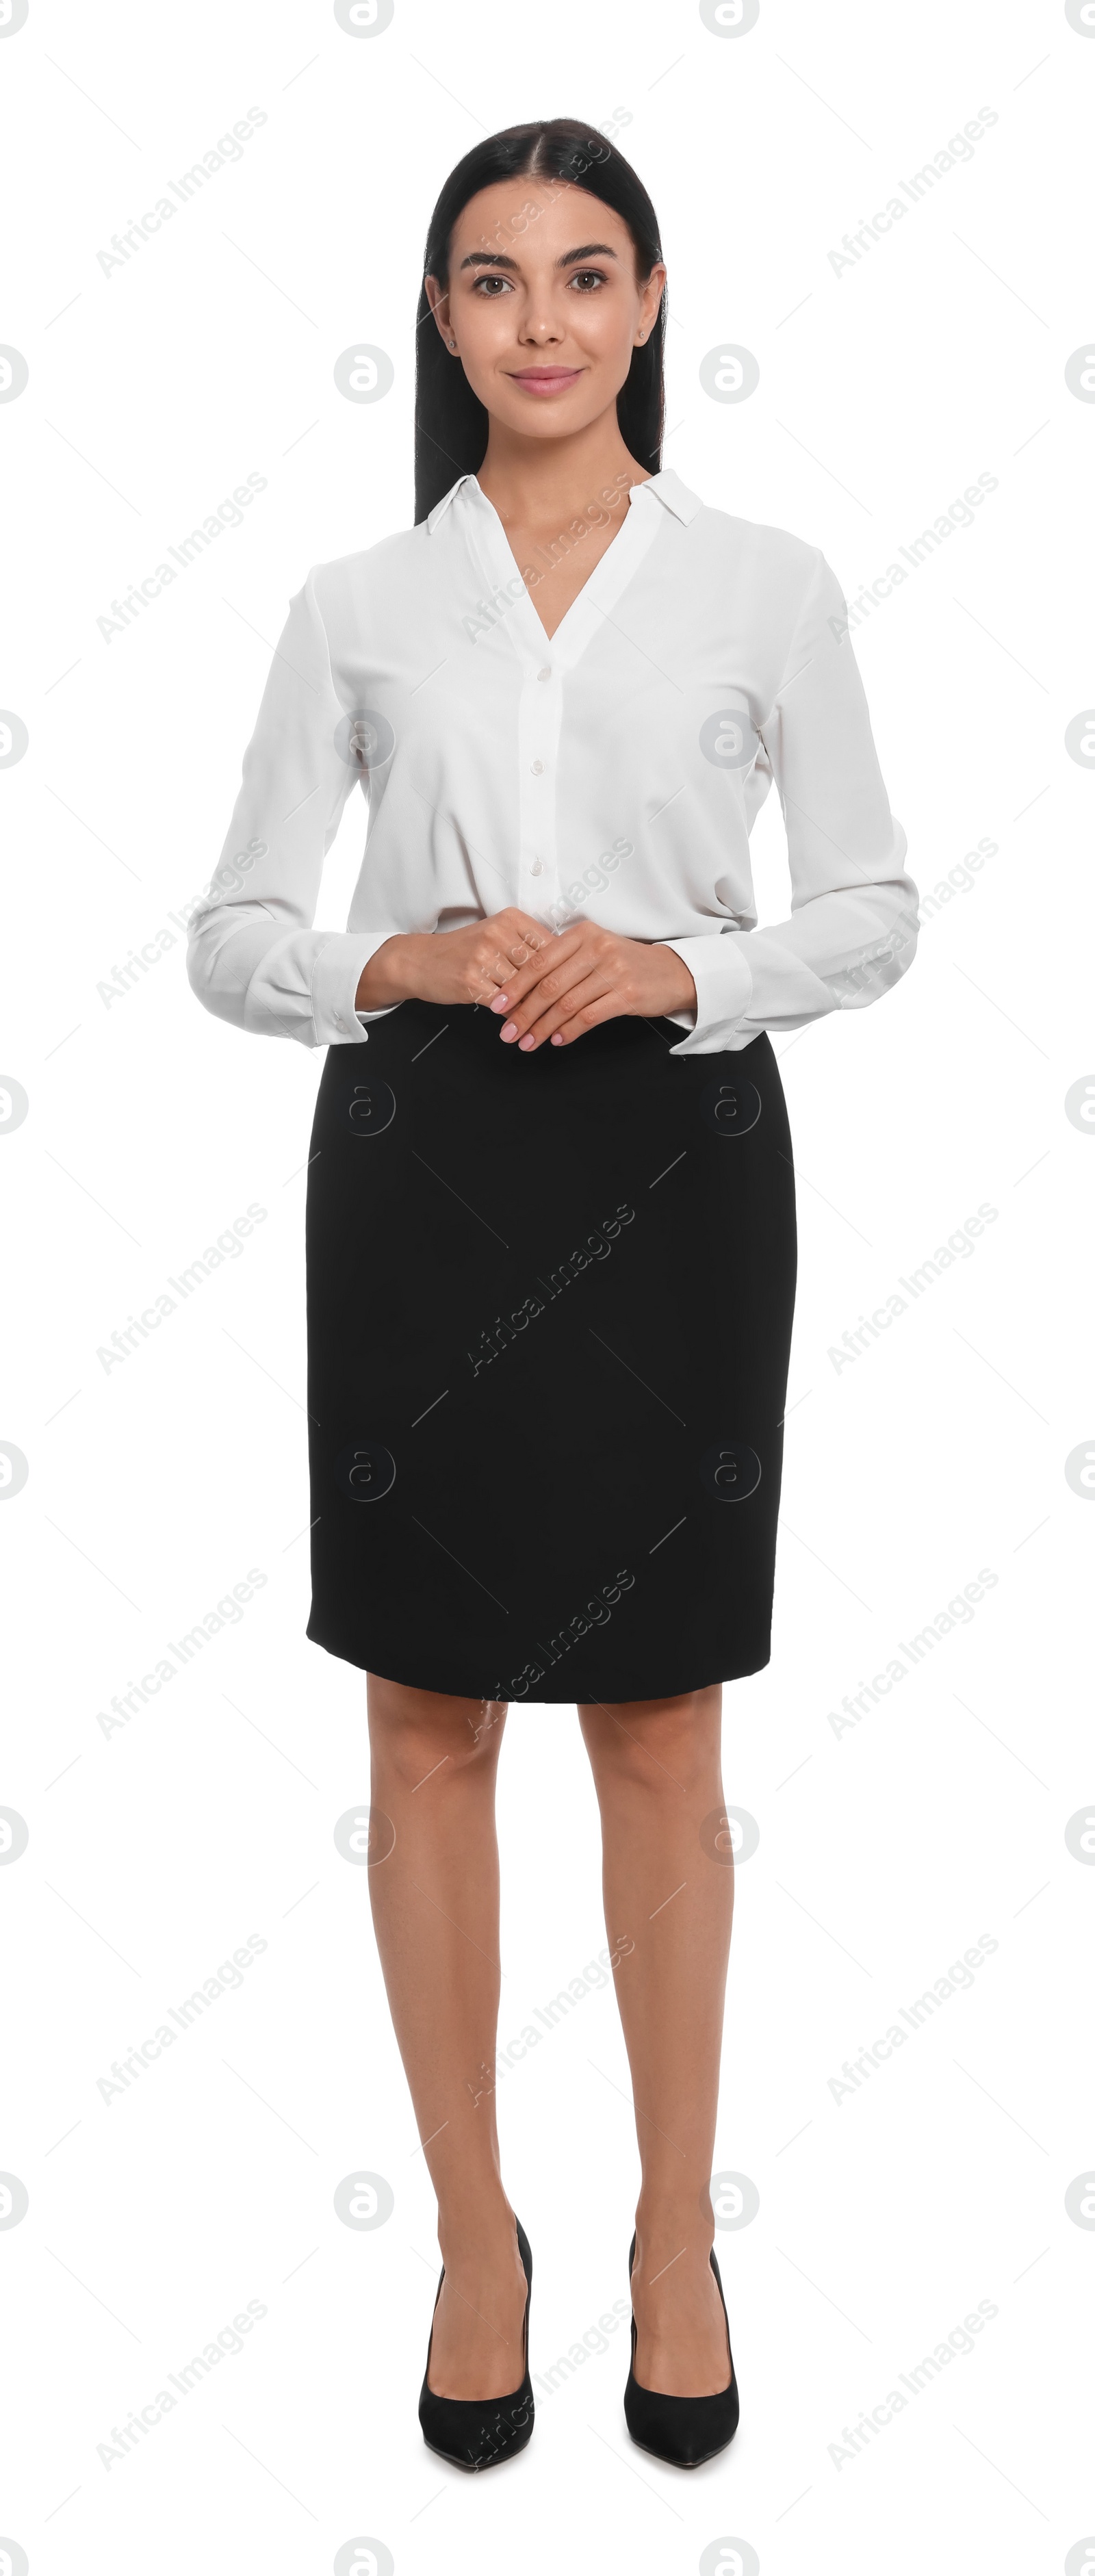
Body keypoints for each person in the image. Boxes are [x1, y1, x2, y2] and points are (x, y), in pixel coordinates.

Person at [188, 118, 916, 2474]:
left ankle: (676, 2236)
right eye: (494, 282)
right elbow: (227, 929)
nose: (541, 322)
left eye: (586, 277)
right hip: (424, 1164)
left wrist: (679, 963)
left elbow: (880, 908)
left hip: (676, 1153)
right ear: (442, 318)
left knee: (662, 1731)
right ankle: (474, 2238)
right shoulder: (353, 607)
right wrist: (388, 949)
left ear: (653, 301)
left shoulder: (771, 586)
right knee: (423, 1721)